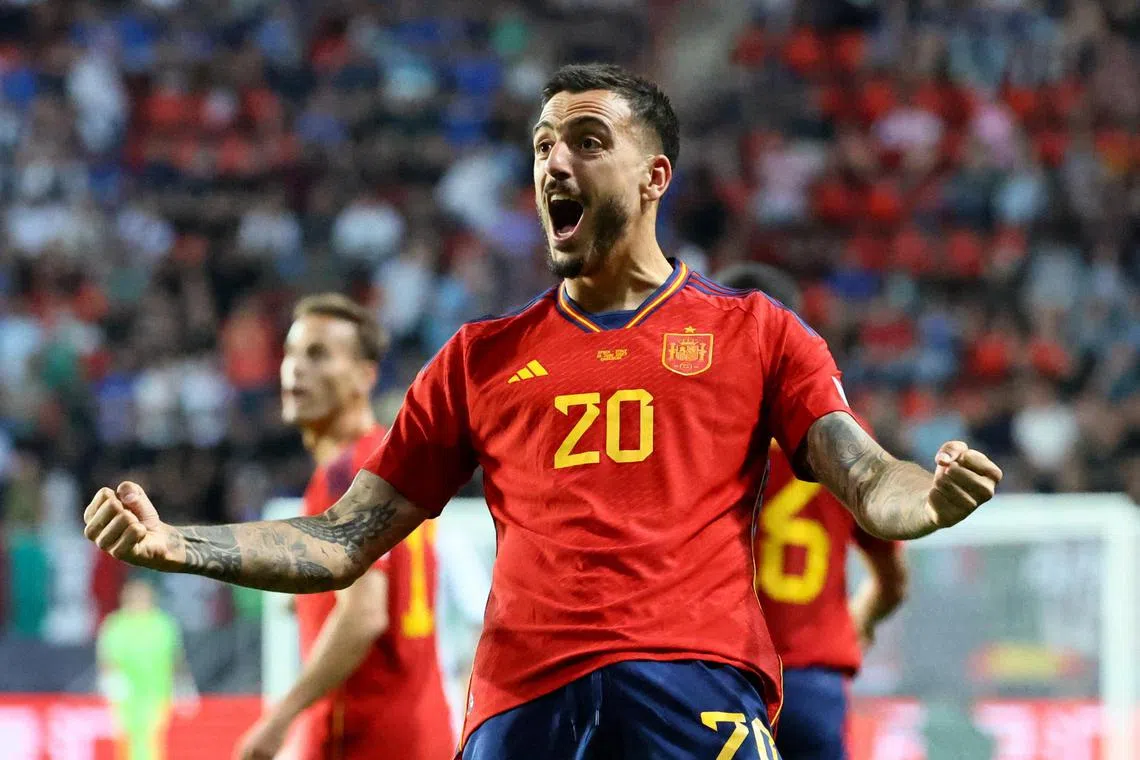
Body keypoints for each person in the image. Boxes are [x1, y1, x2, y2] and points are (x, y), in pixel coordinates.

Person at [82, 63, 1003, 760]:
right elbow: (342, 538)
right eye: (542, 147)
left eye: (588, 141)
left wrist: (926, 498)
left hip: (692, 687)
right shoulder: (478, 358)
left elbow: (866, 477)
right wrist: (179, 544)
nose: (555, 162)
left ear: (655, 176)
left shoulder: (755, 332)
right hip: (520, 710)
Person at [234, 293, 454, 760]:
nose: (295, 369)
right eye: (290, 353)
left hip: (361, 733)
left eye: (318, 354)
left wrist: (280, 717)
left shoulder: (349, 474)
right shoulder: (394, 464)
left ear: (365, 376)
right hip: (423, 726)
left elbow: (364, 613)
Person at [717, 263, 909, 760]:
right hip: (811, 681)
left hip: (720, 680)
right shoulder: (842, 436)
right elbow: (892, 577)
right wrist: (863, 616)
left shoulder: (700, 430)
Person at [96, 577, 197, 760]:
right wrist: (112, 683)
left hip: (158, 693)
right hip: (127, 698)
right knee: (128, 739)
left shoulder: (163, 624)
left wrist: (183, 685)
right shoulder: (116, 624)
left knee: (153, 739)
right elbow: (107, 660)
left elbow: (175, 658)